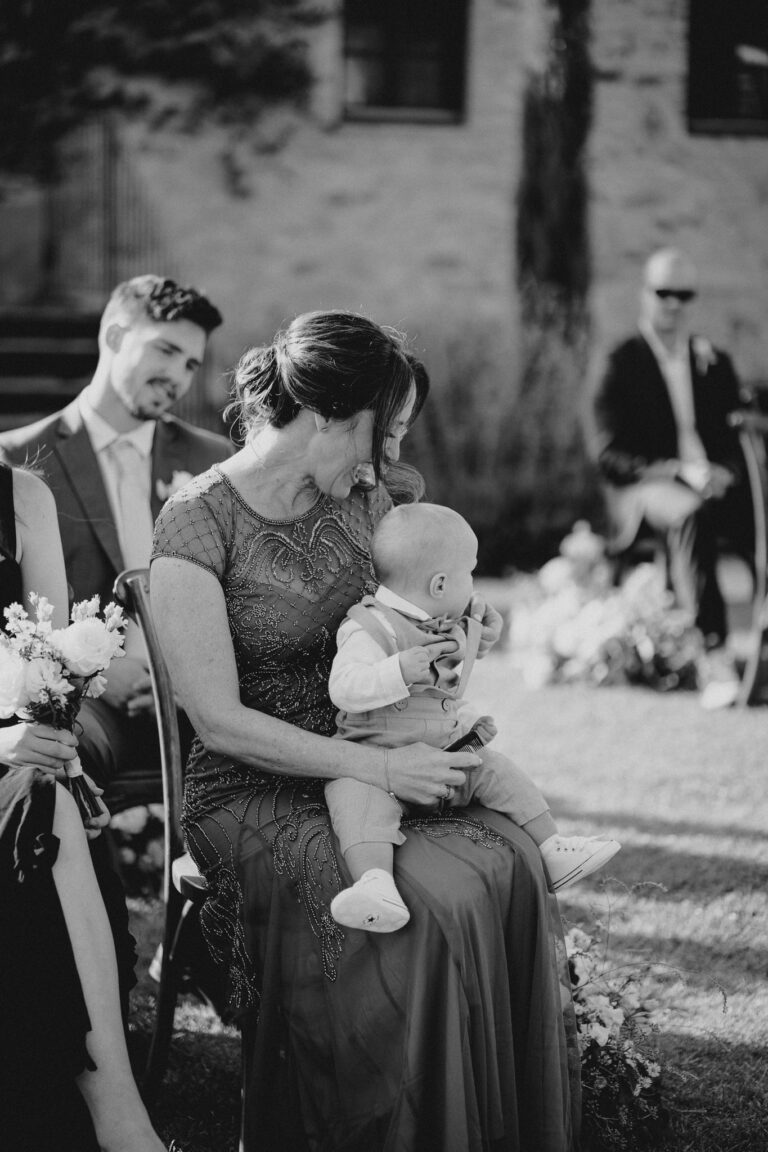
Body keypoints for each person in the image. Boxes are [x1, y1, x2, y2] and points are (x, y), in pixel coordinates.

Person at [150, 310, 580, 1152]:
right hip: (252, 784)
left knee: (511, 858)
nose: (389, 457)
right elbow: (218, 721)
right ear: (329, 415)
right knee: (425, 901)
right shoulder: (196, 525)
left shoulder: (373, 496)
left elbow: (421, 594)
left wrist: (465, 623)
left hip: (387, 750)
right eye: (388, 431)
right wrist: (380, 773)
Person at [325, 502, 621, 933]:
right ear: (440, 582)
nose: (474, 583)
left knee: (498, 770)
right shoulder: (370, 628)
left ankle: (553, 847)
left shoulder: (439, 619)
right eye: (471, 572)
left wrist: (482, 630)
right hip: (377, 765)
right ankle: (375, 883)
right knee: (355, 801)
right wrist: (395, 671)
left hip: (444, 757)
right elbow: (344, 687)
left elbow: (462, 652)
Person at [0, 274, 234, 808]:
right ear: (112, 337)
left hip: (208, 699)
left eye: (191, 364)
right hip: (86, 706)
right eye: (166, 350)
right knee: (48, 766)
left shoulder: (215, 462)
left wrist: (188, 679)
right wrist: (94, 676)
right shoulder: (18, 461)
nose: (177, 376)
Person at [0, 462, 166, 1152]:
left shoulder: (22, 498)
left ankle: (118, 1116)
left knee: (47, 802)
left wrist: (53, 742)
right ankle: (122, 1127)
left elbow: (41, 663)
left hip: (11, 753)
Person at [591, 247, 752, 709]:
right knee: (690, 512)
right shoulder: (621, 361)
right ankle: (713, 653)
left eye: (685, 294)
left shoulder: (713, 361)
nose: (674, 304)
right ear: (645, 294)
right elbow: (608, 455)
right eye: (665, 292)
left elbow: (735, 440)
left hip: (713, 485)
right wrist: (678, 471)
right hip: (647, 491)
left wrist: (728, 472)